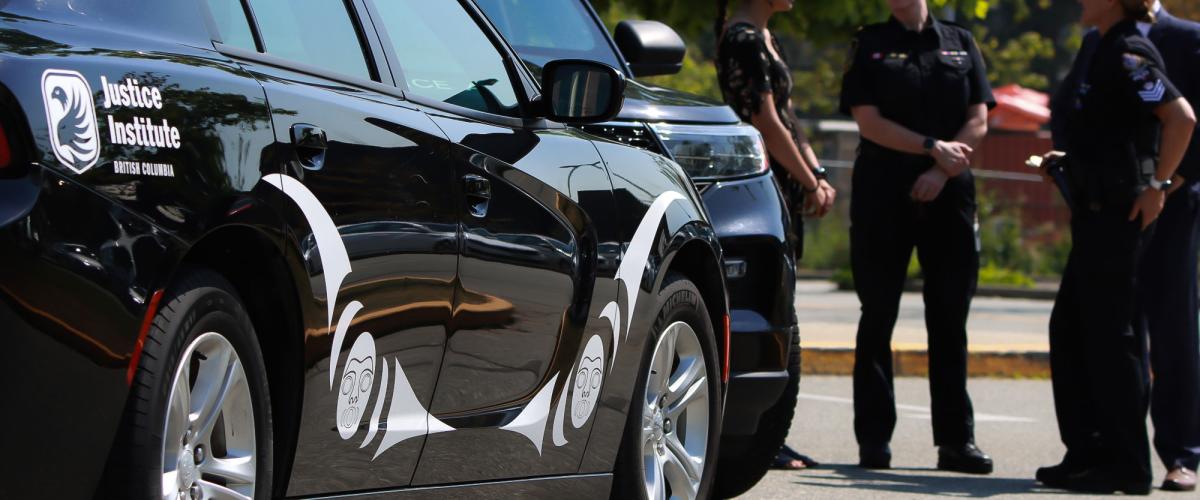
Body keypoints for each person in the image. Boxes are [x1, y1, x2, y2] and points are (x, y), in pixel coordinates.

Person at [1038, 0, 1197, 494]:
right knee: (1071, 330)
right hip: (1093, 210)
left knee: (1112, 337)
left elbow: (1182, 118)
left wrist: (1160, 185)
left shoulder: (1129, 52)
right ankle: (1087, 451)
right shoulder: (1101, 48)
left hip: (1119, 214)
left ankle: (1126, 464)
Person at [838, 0, 995, 473]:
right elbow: (868, 120)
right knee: (878, 314)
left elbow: (979, 115)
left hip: (948, 194)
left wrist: (941, 171)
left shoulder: (960, 41)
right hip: (884, 194)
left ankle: (956, 442)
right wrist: (931, 149)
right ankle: (873, 441)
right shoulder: (870, 43)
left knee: (949, 318)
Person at [714, 0, 835, 471]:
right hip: (759, 181)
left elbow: (788, 115)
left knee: (788, 316)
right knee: (773, 317)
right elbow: (763, 120)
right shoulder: (742, 40)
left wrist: (815, 174)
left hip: (786, 178)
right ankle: (762, 441)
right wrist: (806, 180)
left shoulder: (767, 38)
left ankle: (772, 436)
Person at [1137, 1, 1200, 492]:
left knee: (1173, 330)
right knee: (1116, 330)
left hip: (1174, 202)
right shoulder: (1098, 38)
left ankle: (1182, 454)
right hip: (1113, 207)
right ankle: (1116, 449)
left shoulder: (1187, 36)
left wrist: (1165, 184)